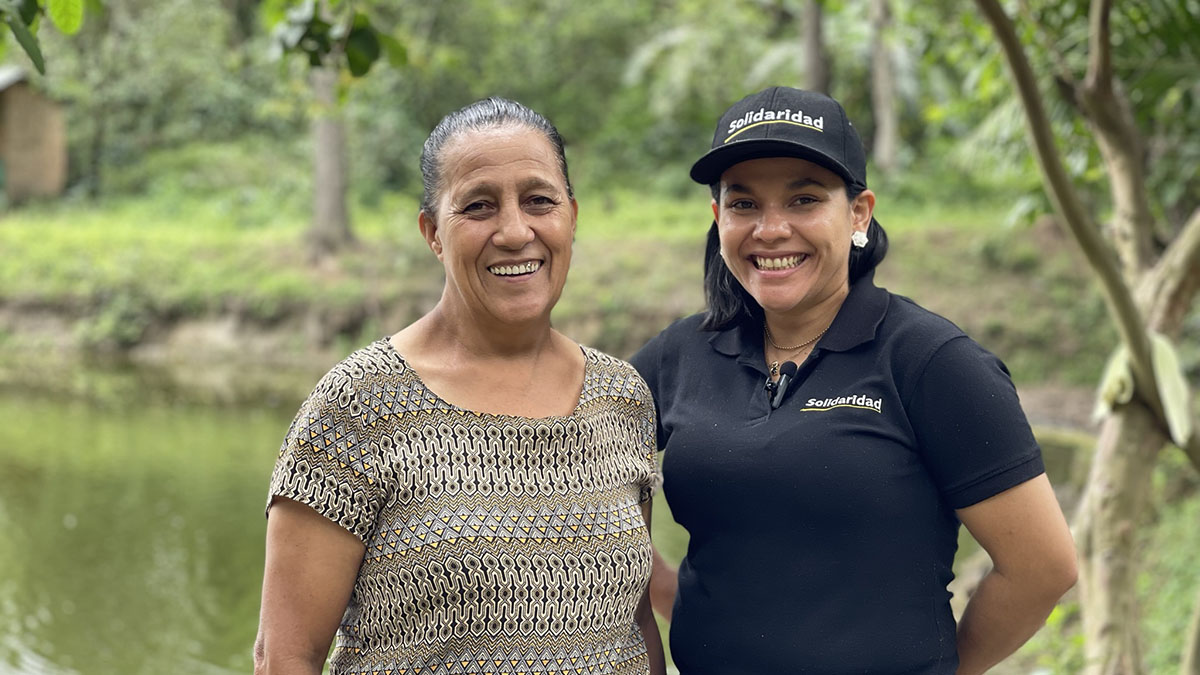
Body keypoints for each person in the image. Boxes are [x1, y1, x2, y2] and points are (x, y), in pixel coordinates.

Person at [631, 86, 1077, 674]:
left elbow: (1043, 568)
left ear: (859, 213)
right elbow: (592, 500)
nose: (770, 230)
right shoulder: (679, 355)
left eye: (804, 199)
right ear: (718, 218)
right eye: (744, 205)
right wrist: (678, 603)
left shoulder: (931, 361)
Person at [254, 97, 666, 675]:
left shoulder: (621, 397)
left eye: (539, 201)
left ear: (571, 215)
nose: (515, 231)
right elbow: (285, 658)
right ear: (433, 233)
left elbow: (636, 623)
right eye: (478, 206)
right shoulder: (358, 406)